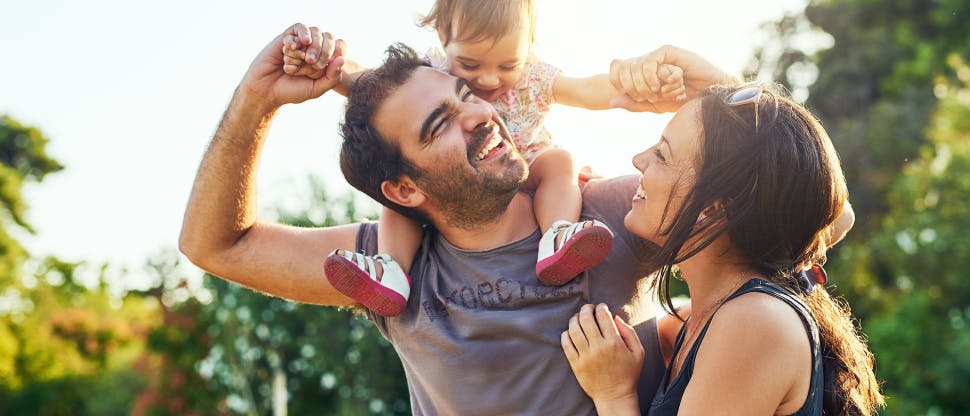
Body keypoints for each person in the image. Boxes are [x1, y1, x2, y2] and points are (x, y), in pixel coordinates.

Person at [179, 23, 852, 414]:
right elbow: (216, 245)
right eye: (441, 124)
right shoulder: (389, 269)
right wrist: (257, 98)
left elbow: (809, 209)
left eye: (465, 94)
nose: (480, 114)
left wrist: (722, 89)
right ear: (403, 189)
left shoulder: (613, 214)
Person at [279, 0, 687, 317]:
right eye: (470, 65)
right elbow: (366, 83)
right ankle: (391, 271)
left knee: (559, 161)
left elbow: (585, 90)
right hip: (458, 182)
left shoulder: (533, 77)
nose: (489, 80)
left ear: (529, 45)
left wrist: (636, 88)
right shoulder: (431, 72)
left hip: (526, 166)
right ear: (443, 36)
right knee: (402, 200)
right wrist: (323, 63)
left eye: (508, 64)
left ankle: (558, 235)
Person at [560, 82, 884, 414]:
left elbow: (833, 213)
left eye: (662, 155)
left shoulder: (754, 324)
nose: (638, 160)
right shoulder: (705, 320)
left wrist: (614, 395)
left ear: (712, 209)